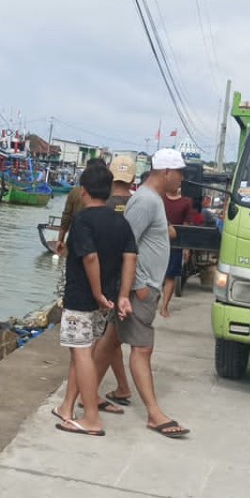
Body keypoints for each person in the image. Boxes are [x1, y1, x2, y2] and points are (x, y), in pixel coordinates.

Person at [52, 164, 138, 437]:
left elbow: (90, 257)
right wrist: (122, 295)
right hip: (107, 300)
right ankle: (67, 407)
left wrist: (97, 292)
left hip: (82, 298)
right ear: (110, 189)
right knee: (81, 351)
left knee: (81, 353)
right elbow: (130, 258)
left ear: (84, 191)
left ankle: (91, 418)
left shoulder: (83, 221)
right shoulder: (120, 221)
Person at [118, 148, 190, 438]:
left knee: (109, 343)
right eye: (180, 172)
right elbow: (126, 244)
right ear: (166, 173)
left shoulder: (153, 200)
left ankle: (80, 399)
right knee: (142, 348)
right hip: (142, 288)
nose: (182, 178)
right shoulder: (146, 200)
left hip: (146, 286)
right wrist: (137, 286)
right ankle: (153, 413)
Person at [89, 154, 139, 412]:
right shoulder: (139, 204)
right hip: (130, 280)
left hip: (105, 279)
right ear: (133, 178)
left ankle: (90, 391)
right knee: (113, 338)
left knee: (105, 338)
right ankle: (121, 386)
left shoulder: (100, 204)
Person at [57, 158, 108, 255]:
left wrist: (60, 240)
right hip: (98, 245)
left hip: (75, 240)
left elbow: (66, 218)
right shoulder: (106, 195)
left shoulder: (75, 192)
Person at [161, 185, 195, 318]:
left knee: (171, 276)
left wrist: (186, 248)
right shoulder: (160, 199)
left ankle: (164, 306)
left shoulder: (186, 202)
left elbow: (186, 225)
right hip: (158, 242)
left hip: (176, 245)